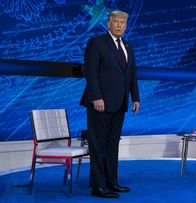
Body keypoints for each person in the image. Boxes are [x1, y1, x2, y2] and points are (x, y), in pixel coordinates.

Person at [80, 10, 140, 198]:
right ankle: (98, 186)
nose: (120, 25)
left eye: (123, 22)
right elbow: (91, 72)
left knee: (112, 144)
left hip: (119, 104)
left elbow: (131, 75)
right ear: (109, 24)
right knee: (98, 145)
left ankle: (112, 182)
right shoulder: (97, 43)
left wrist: (135, 97)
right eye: (117, 22)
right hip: (100, 103)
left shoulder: (128, 46)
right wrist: (96, 97)